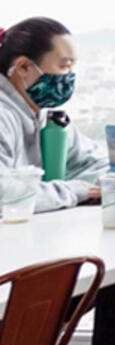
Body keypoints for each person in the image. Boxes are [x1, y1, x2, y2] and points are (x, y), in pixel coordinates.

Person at [0, 17, 107, 210]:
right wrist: (73, 191)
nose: (69, 76)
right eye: (64, 66)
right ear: (23, 66)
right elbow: (4, 194)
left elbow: (90, 163)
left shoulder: (47, 118)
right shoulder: (3, 117)